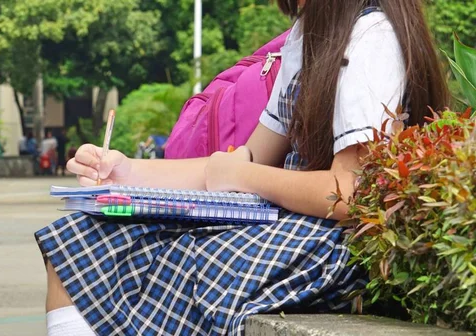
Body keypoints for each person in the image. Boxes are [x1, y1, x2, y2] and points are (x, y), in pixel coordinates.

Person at [36, 1, 449, 335]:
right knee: (78, 237)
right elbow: (240, 162)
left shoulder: (370, 39)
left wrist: (243, 176)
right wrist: (124, 171)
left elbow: (348, 193)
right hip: (290, 223)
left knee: (180, 263)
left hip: (340, 247)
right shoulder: (310, 34)